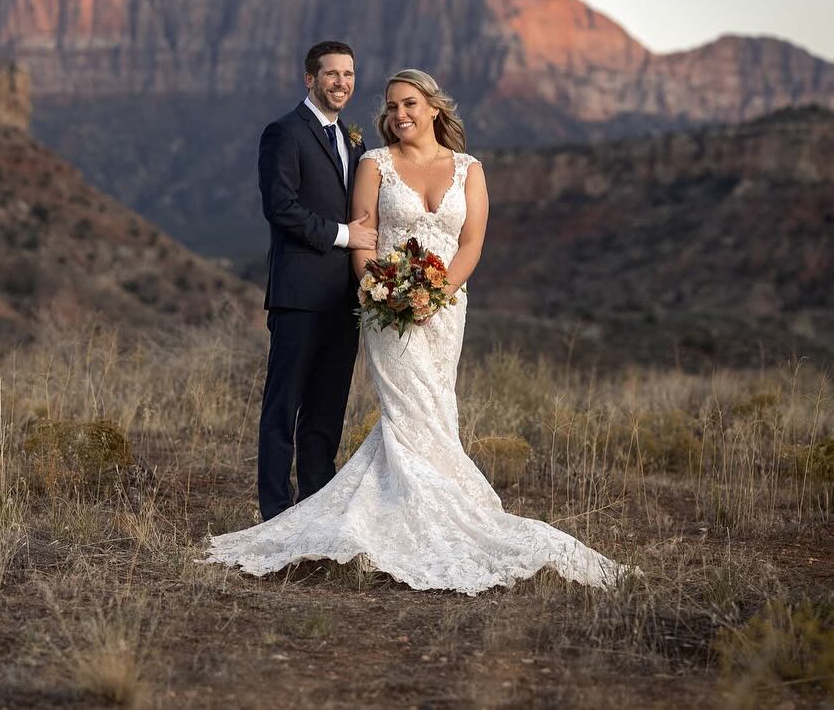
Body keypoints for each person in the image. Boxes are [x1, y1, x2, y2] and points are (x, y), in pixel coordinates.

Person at [207, 68, 628, 594]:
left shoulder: (469, 169)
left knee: (438, 410)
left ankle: (422, 514)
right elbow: (362, 240)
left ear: (434, 108)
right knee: (408, 411)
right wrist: (380, 290)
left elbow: (471, 243)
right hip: (386, 311)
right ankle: (409, 516)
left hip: (446, 309)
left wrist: (437, 294)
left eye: (409, 104)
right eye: (391, 106)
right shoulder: (374, 164)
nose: (399, 115)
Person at [255, 41, 377, 521]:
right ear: (310, 79)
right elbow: (280, 207)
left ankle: (316, 510)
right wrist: (347, 235)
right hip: (299, 296)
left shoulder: (353, 139)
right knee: (283, 408)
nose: (341, 82)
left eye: (349, 74)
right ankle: (275, 512)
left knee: (327, 409)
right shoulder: (283, 133)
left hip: (344, 298)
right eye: (332, 74)